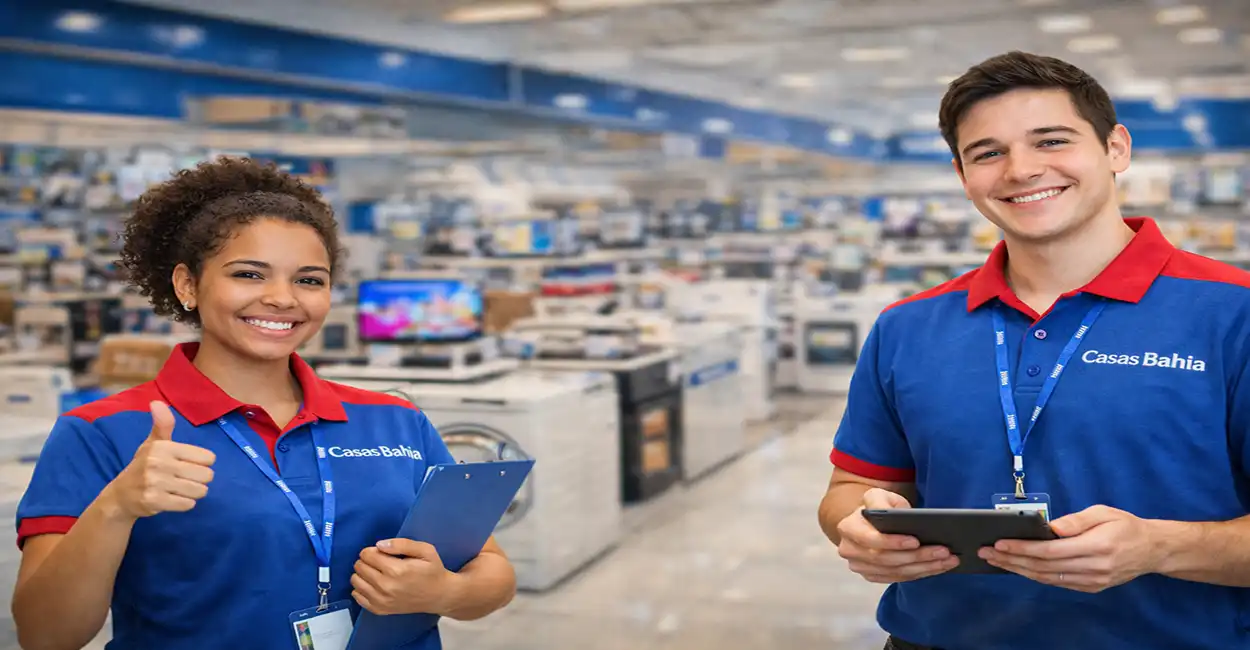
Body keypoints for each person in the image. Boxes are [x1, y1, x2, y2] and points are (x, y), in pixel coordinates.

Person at [818, 50, 1250, 650]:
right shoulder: (907, 326)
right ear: (962, 175)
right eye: (988, 153)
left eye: (1051, 141)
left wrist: (1160, 548)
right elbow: (850, 486)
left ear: (1116, 148)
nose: (1021, 170)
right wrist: (858, 528)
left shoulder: (1233, 312)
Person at [12, 158, 518, 650]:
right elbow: (45, 635)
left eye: (309, 279)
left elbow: (493, 572)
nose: (282, 298)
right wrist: (116, 507)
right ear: (188, 285)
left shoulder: (395, 421)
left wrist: (443, 592)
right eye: (249, 275)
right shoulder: (102, 431)